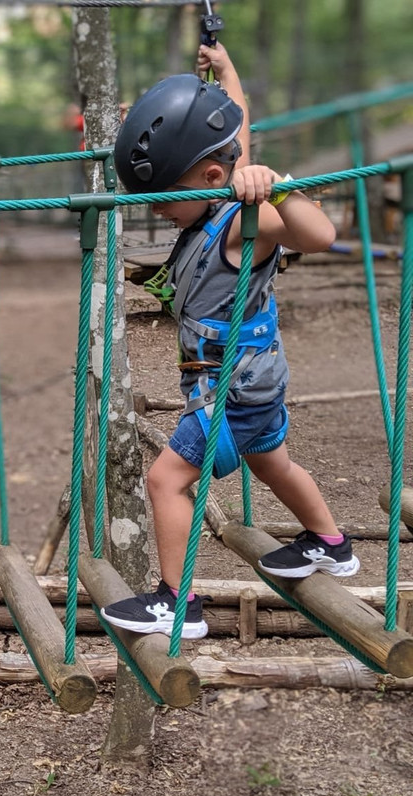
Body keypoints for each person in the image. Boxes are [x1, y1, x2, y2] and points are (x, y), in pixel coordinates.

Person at [100, 43, 352, 640]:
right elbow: (234, 142)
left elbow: (321, 236)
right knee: (273, 462)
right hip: (253, 382)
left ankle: (176, 603)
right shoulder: (217, 201)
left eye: (163, 197)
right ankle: (331, 543)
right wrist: (228, 77)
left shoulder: (244, 223)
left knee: (165, 481)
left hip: (232, 390)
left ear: (211, 179)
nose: (158, 209)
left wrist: (281, 189)